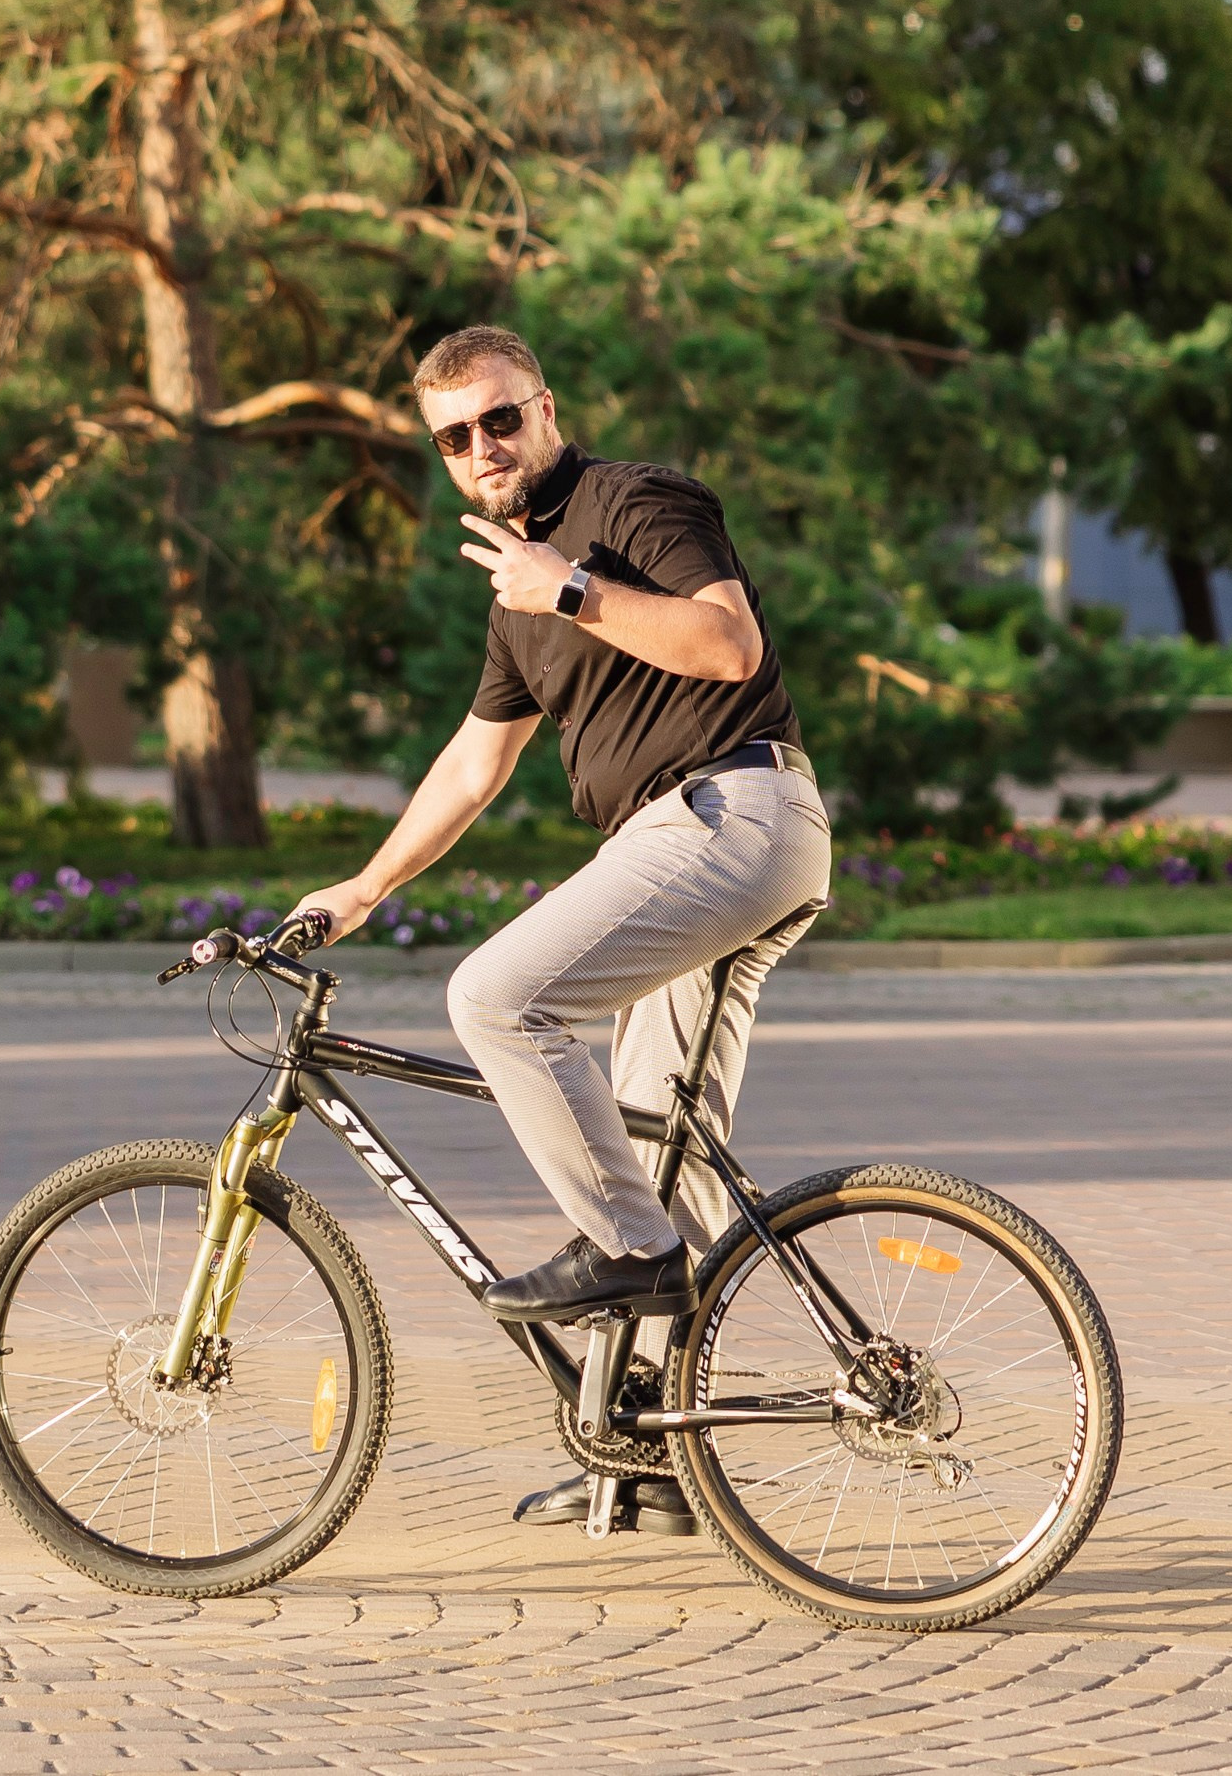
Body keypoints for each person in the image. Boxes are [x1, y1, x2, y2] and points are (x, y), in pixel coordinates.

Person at [283, 323, 831, 1538]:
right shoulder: (512, 600)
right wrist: (363, 888)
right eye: (452, 437)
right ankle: (647, 1446)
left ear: (544, 406)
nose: (482, 447)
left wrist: (572, 587)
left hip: (724, 808)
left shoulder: (634, 503)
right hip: (698, 836)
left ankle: (627, 1253)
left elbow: (728, 642)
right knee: (660, 1152)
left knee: (494, 998)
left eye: (500, 418)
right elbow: (473, 767)